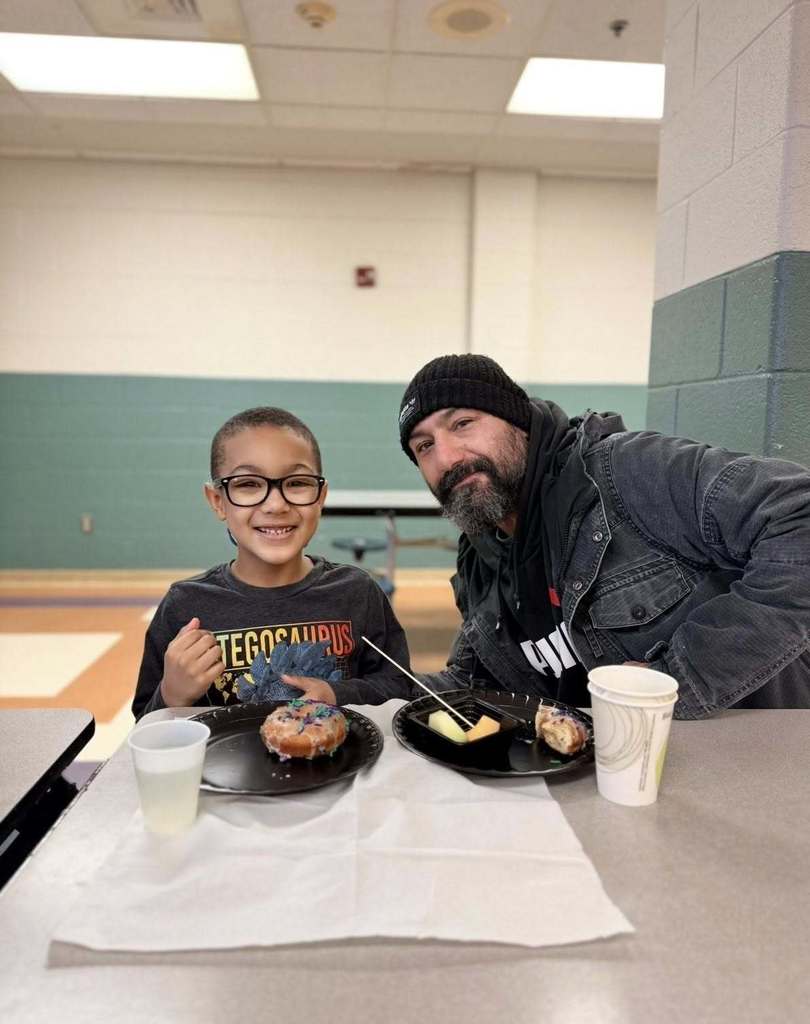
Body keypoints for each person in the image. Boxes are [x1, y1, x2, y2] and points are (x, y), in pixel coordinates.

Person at [397, 353, 810, 718]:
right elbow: (473, 686)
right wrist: (361, 689)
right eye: (424, 446)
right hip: (600, 782)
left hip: (751, 767)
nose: (447, 457)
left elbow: (799, 515)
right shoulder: (479, 556)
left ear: (518, 424)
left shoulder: (625, 472)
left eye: (463, 423)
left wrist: (683, 676)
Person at [132, 407, 411, 720]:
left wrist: (338, 694)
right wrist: (171, 695)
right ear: (218, 501)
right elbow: (145, 727)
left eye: (297, 483)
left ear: (320, 497)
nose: (276, 504)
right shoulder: (184, 606)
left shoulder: (358, 593)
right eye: (248, 484)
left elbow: (400, 688)